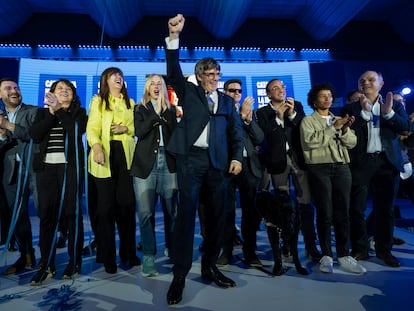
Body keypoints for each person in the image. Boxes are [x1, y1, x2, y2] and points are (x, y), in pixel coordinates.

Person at [164, 14, 243, 305]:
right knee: (186, 218)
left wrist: (237, 158)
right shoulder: (189, 92)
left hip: (219, 166)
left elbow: (236, 133)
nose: (214, 77)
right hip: (191, 161)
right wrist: (174, 37)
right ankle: (180, 275)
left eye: (216, 73)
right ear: (199, 76)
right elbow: (173, 71)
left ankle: (209, 266)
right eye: (208, 73)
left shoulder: (226, 101)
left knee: (218, 219)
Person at [341, 71, 411, 267]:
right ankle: (360, 249)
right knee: (357, 209)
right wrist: (364, 113)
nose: (366, 83)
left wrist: (388, 113)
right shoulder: (350, 108)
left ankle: (384, 250)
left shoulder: (395, 105)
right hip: (361, 163)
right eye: (361, 80)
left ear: (381, 84)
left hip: (387, 163)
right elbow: (346, 134)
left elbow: (406, 127)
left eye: (371, 80)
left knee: (385, 210)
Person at [300, 83, 366, 274]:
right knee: (324, 212)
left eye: (329, 95)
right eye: (322, 96)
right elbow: (310, 142)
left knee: (342, 212)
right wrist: (333, 129)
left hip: (342, 167)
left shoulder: (339, 119)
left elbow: (352, 143)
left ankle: (344, 254)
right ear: (314, 100)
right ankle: (326, 255)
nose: (327, 99)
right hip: (319, 168)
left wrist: (344, 130)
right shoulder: (308, 121)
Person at [256, 78, 321, 262]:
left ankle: (311, 245)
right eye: (275, 88)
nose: (280, 90)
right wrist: (278, 118)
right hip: (277, 163)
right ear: (268, 94)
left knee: (306, 204)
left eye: (282, 87)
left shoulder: (297, 105)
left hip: (298, 161)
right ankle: (286, 243)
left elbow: (303, 128)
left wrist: (291, 114)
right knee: (282, 207)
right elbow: (264, 136)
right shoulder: (263, 113)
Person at [29, 79, 86, 284]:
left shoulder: (79, 113)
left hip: (69, 168)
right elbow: (35, 135)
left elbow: (75, 130)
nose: (64, 91)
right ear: (51, 93)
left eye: (68, 89)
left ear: (73, 95)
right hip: (46, 169)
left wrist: (60, 111)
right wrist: (51, 113)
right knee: (47, 217)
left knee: (72, 215)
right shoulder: (42, 113)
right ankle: (47, 263)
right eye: (59, 88)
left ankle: (74, 261)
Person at [86, 67, 140, 274]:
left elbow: (137, 128)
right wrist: (96, 146)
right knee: (105, 210)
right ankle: (108, 256)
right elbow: (92, 128)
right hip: (104, 157)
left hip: (125, 157)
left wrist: (126, 129)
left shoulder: (131, 103)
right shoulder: (98, 101)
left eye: (120, 75)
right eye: (113, 75)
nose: (118, 77)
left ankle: (128, 252)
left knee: (127, 207)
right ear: (105, 81)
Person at [130, 74, 178, 277]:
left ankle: (173, 247)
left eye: (160, 83)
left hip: (168, 164)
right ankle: (149, 256)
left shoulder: (172, 109)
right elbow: (140, 131)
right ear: (147, 87)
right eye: (153, 84)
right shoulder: (140, 108)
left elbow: (175, 134)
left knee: (171, 211)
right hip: (145, 166)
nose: (157, 86)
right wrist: (156, 113)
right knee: (146, 213)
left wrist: (164, 113)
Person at [217, 79, 264, 266]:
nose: (236, 93)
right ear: (224, 92)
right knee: (227, 211)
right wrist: (240, 118)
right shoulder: (219, 112)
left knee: (250, 211)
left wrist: (246, 119)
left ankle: (250, 252)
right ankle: (226, 251)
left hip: (249, 166)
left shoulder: (250, 113)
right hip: (227, 165)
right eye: (231, 90)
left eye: (238, 91)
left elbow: (259, 137)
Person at [0, 78, 38, 275]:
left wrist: (9, 126)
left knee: (45, 211)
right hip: (11, 171)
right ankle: (26, 254)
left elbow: (35, 134)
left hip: (36, 169)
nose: (14, 90)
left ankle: (48, 256)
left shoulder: (33, 111)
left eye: (16, 87)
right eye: (8, 88)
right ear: (0, 95)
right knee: (18, 215)